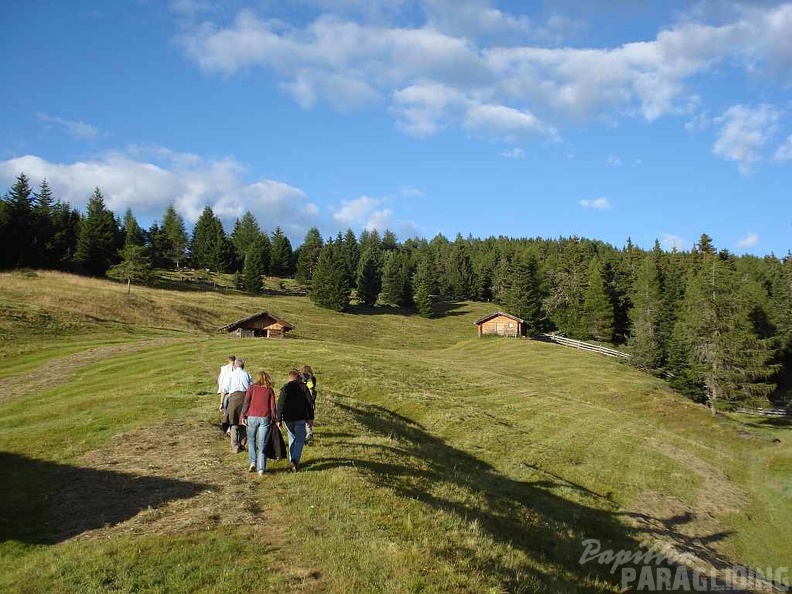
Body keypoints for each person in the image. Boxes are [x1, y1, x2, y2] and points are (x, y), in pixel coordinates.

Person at [276, 369, 314, 472]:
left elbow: (280, 404)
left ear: (289, 378)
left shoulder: (285, 388)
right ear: (298, 378)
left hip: (288, 418)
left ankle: (292, 460)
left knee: (291, 439)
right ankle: (295, 460)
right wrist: (310, 418)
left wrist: (278, 419)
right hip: (300, 418)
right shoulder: (303, 388)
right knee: (299, 441)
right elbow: (310, 404)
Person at [241, 370, 276, 475]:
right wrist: (274, 418)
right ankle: (261, 468)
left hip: (252, 416)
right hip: (264, 417)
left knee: (251, 440)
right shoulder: (269, 390)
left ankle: (252, 463)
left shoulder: (251, 388)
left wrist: (243, 415)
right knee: (262, 443)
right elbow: (273, 406)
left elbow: (246, 402)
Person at [222, 358, 252, 453]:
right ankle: (242, 444)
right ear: (243, 366)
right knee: (243, 422)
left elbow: (224, 389)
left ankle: (235, 446)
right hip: (245, 399)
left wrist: (221, 402)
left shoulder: (230, 375)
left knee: (233, 423)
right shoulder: (247, 375)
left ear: (235, 366)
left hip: (234, 399)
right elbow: (251, 388)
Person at [300, 365, 317, 444]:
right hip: (311, 401)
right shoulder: (312, 379)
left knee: (302, 418)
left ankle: (303, 435)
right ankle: (309, 433)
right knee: (309, 418)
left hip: (302, 401)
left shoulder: (300, 379)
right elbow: (313, 389)